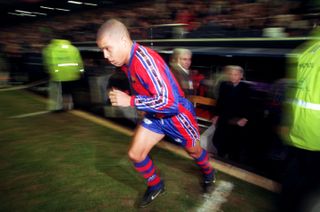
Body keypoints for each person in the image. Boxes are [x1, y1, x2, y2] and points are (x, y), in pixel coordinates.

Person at [96, 19, 215, 207]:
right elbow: (148, 89)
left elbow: (170, 103)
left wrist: (131, 101)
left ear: (123, 41)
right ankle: (156, 184)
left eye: (107, 48)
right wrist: (131, 96)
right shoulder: (128, 61)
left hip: (177, 116)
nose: (105, 55)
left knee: (193, 151)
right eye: (102, 50)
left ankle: (209, 173)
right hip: (156, 115)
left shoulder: (144, 59)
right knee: (136, 154)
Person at [279, 28, 320, 212]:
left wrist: (286, 122)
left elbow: (292, 91)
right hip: (315, 136)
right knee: (308, 190)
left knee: (293, 183)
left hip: (297, 131)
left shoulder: (305, 50)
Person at [211, 65, 252, 162]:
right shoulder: (224, 85)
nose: (233, 76)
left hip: (237, 120)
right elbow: (219, 101)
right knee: (220, 140)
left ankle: (233, 162)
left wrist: (245, 118)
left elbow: (250, 105)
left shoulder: (246, 88)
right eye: (231, 74)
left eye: (236, 74)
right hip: (224, 117)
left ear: (241, 76)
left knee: (234, 143)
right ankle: (220, 158)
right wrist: (216, 115)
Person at [42, 39, 83, 112]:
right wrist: (80, 72)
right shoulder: (73, 49)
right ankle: (72, 106)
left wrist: (50, 72)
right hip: (72, 75)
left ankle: (58, 108)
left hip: (58, 75)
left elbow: (49, 62)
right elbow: (79, 62)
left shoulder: (51, 48)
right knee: (71, 92)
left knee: (59, 93)